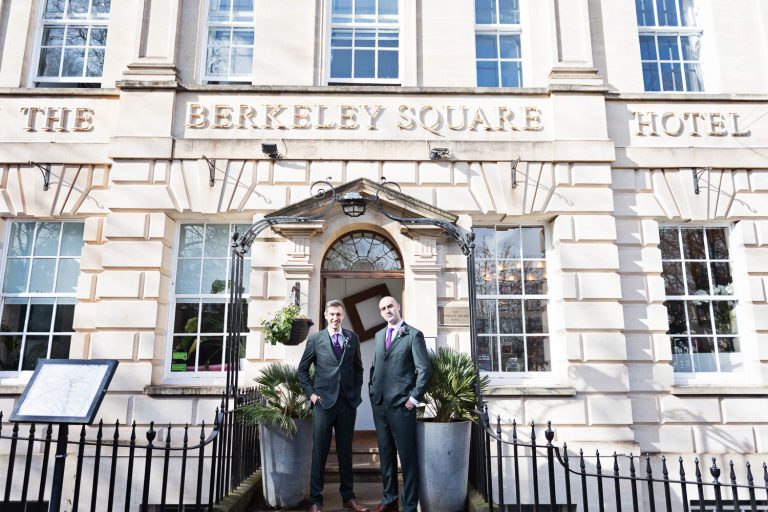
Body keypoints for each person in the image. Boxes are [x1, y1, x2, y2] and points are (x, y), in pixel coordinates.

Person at [298, 300, 370, 512]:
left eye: (339, 314)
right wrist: (311, 395)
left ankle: (348, 497)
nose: (336, 318)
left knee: (345, 451)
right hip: (322, 403)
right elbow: (302, 371)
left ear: (343, 316)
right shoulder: (315, 339)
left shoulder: (352, 338)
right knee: (320, 451)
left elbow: (358, 370)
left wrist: (355, 394)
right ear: (325, 315)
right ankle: (315, 500)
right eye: (332, 314)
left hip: (347, 403)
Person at [368, 296, 431, 512]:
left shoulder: (413, 334)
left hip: (403, 406)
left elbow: (424, 369)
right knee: (386, 454)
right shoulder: (378, 336)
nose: (387, 311)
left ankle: (410, 505)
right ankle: (389, 499)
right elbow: (375, 367)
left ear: (398, 307)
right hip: (380, 405)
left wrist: (414, 399)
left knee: (407, 457)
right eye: (383, 308)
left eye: (390, 306)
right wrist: (372, 391)